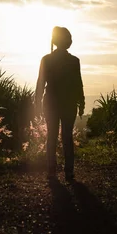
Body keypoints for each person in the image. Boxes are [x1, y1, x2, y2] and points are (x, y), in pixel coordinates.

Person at [35, 26, 85, 181]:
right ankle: (69, 172)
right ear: (68, 41)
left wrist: (37, 103)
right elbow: (78, 84)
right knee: (67, 137)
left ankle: (51, 171)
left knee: (52, 136)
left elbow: (40, 83)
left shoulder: (46, 59)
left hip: (50, 102)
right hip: (69, 103)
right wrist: (81, 103)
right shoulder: (74, 61)